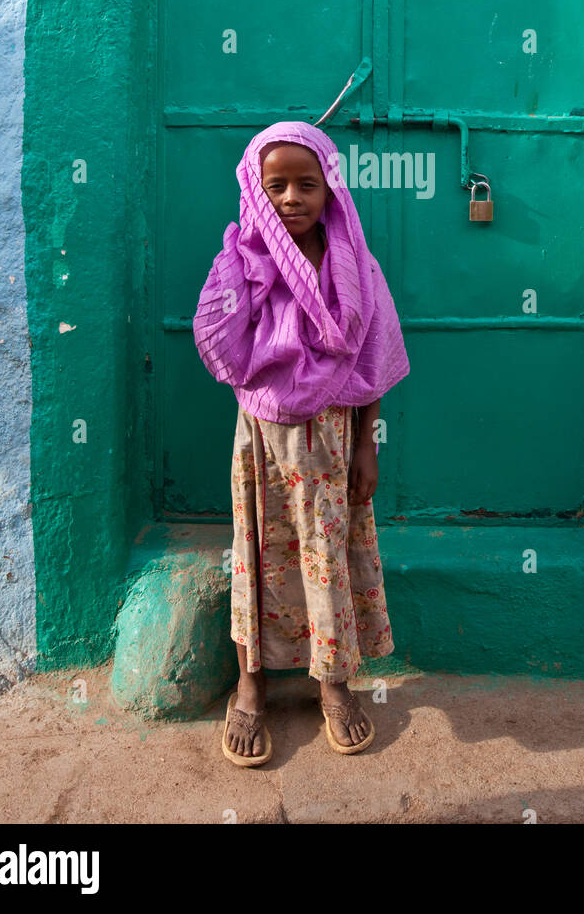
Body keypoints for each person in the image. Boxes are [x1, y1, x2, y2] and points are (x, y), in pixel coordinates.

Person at [193, 120, 409, 766]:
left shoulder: (354, 265)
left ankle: (334, 685)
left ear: (330, 190)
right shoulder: (243, 260)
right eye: (277, 185)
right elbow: (220, 346)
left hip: (335, 443)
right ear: (256, 192)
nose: (292, 198)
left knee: (328, 557)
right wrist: (242, 279)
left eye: (306, 184)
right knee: (257, 558)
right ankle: (251, 685)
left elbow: (373, 356)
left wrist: (367, 446)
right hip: (262, 440)